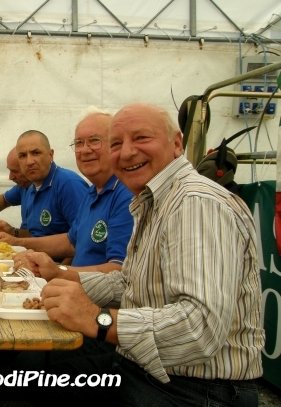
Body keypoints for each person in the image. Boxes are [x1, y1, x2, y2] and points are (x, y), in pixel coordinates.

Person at [30, 103, 264, 406]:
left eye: (141, 138)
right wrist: (57, 278)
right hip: (145, 368)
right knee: (34, 373)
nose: (126, 153)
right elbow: (129, 284)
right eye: (116, 143)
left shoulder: (195, 202)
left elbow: (199, 326)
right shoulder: (152, 201)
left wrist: (97, 319)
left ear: (177, 143)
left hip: (196, 389)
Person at [0, 109, 133, 270]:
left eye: (94, 141)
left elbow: (120, 271)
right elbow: (71, 242)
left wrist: (57, 272)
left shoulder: (127, 194)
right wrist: (17, 242)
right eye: (78, 143)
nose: (85, 150)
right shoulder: (93, 192)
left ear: (116, 145)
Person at [1, 130, 88, 239]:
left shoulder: (68, 184)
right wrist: (12, 232)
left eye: (36, 153)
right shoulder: (30, 186)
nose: (29, 162)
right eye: (23, 155)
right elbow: (36, 236)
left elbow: (83, 240)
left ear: (51, 155)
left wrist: (46, 257)